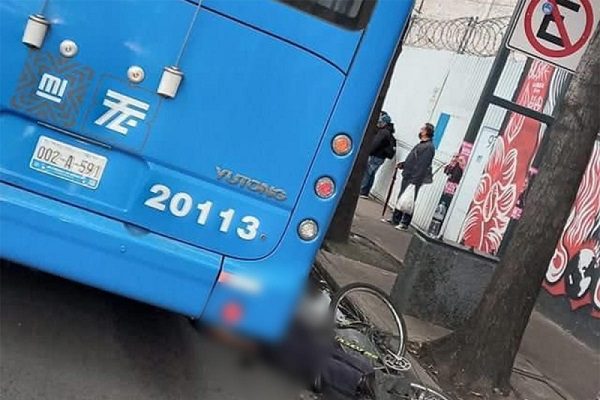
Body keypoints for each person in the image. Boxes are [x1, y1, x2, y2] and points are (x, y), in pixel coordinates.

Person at [386, 123, 435, 230]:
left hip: (414, 178)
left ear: (426, 132)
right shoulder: (422, 145)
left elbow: (422, 165)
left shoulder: (428, 147)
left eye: (422, 129)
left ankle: (404, 222)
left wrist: (415, 179)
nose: (420, 130)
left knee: (409, 200)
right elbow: (413, 159)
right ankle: (396, 219)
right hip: (409, 175)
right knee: (402, 197)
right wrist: (404, 164)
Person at [360, 112, 396, 198]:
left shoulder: (383, 132)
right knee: (371, 173)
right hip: (380, 156)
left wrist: (368, 152)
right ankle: (365, 191)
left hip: (376, 155)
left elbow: (375, 143)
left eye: (380, 121)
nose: (378, 123)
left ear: (384, 122)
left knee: (368, 172)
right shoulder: (388, 132)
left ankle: (363, 190)